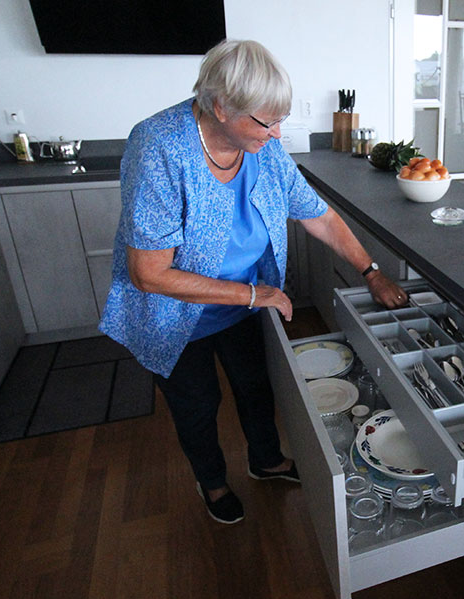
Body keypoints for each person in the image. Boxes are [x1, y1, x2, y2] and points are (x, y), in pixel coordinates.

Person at [100, 39, 408, 524]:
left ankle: (265, 461)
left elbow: (318, 216)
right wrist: (251, 294)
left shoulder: (264, 148)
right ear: (221, 107)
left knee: (256, 385)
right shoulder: (159, 146)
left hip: (245, 301)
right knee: (198, 404)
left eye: (280, 119)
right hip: (172, 312)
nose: (277, 132)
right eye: (267, 121)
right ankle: (213, 483)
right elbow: (148, 273)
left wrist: (371, 272)